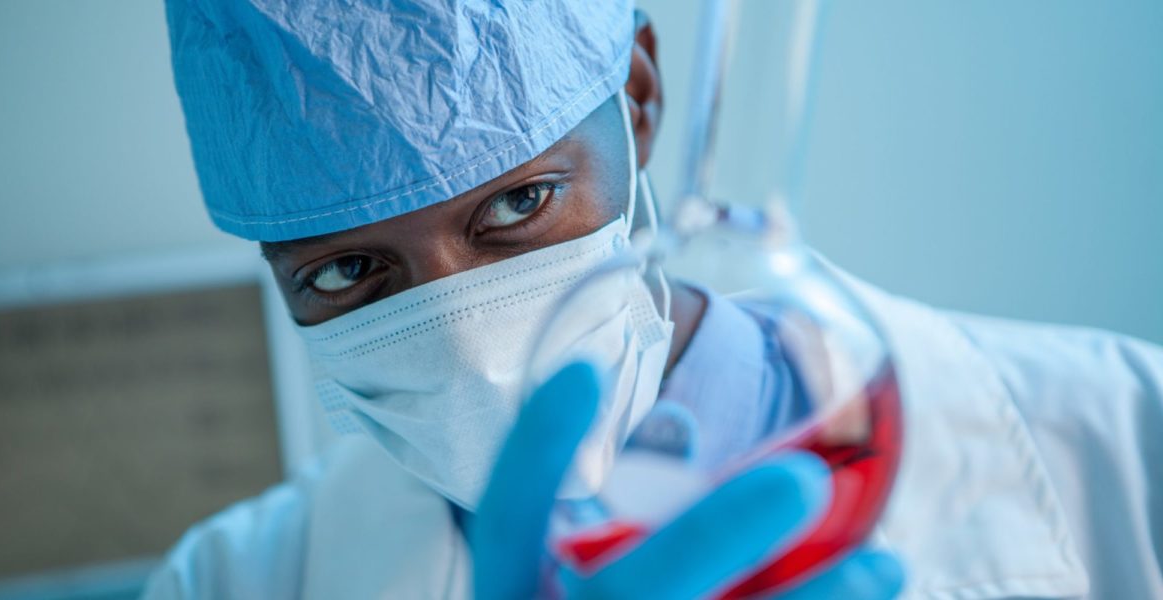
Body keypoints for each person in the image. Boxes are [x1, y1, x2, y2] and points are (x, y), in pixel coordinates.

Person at [146, 1, 1163, 598]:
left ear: (637, 97)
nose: (470, 351)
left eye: (519, 202)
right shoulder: (232, 582)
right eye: (345, 271)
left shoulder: (1129, 436)